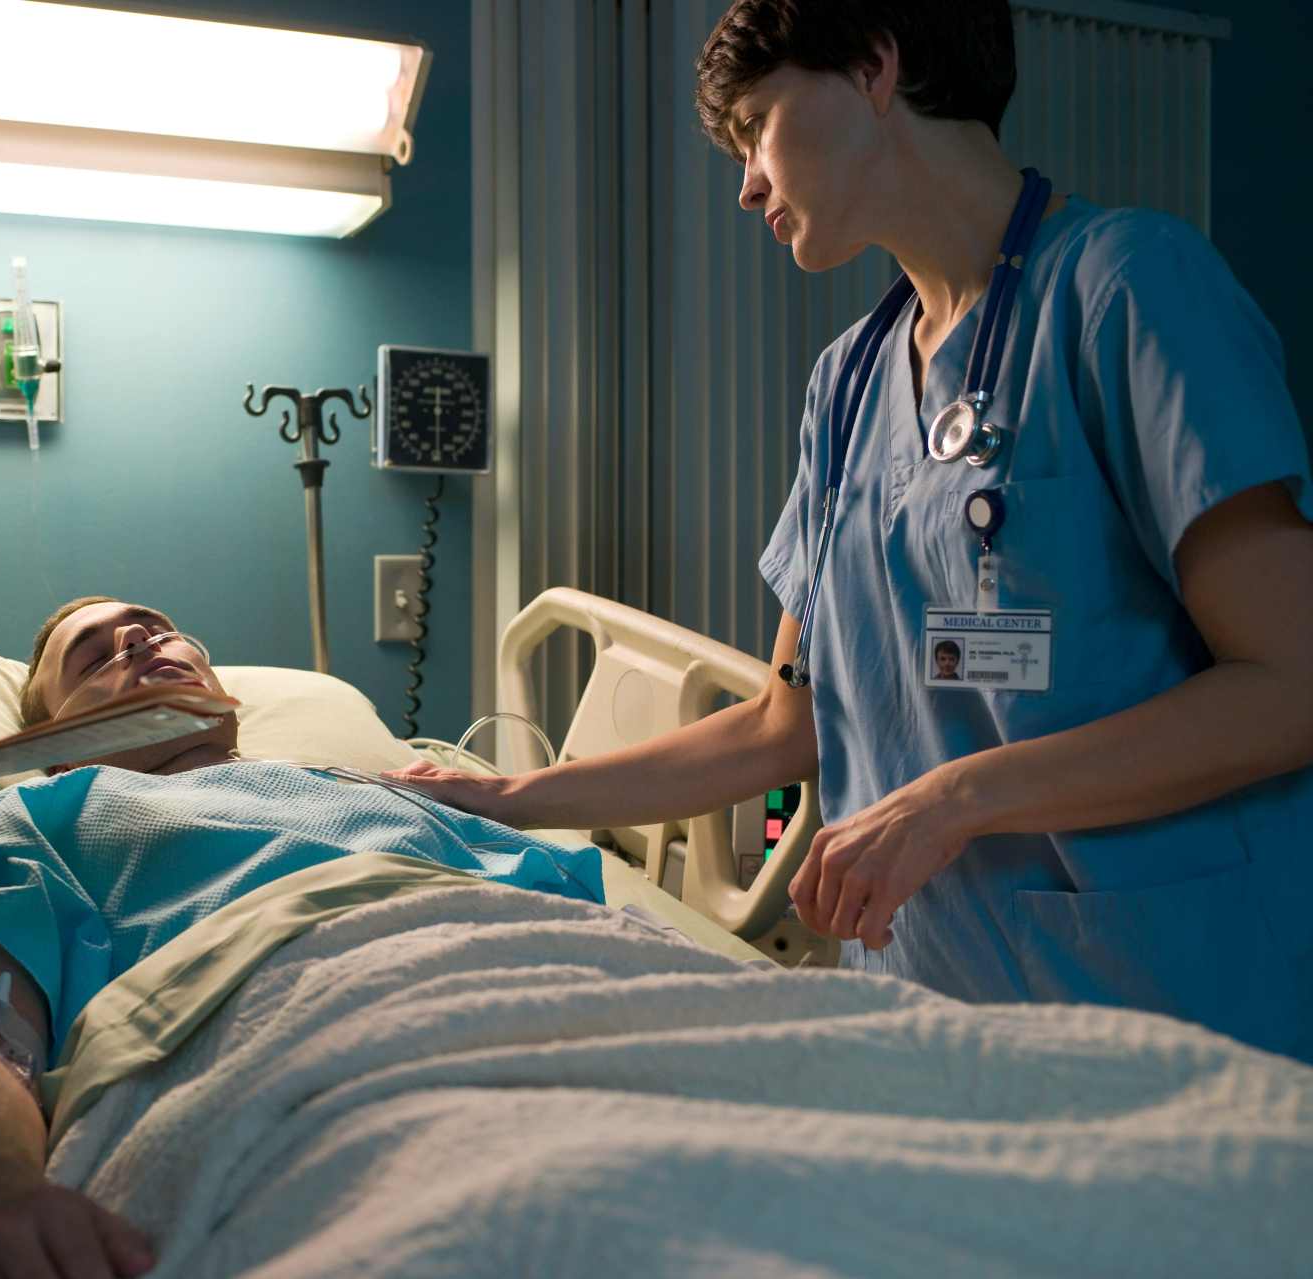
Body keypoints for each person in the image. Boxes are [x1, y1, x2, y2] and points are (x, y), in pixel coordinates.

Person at [388, 0, 1313, 1062]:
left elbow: (1291, 684)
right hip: (928, 1003)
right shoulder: (849, 384)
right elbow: (781, 728)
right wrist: (509, 798)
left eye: (756, 129)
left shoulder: (1129, 291)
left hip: (1164, 1008)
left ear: (874, 66)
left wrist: (957, 796)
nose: (747, 185)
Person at [0, 596, 609, 1277]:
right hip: (309, 1016)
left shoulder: (395, 791)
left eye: (155, 628)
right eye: (92, 658)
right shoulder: (47, 811)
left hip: (572, 977)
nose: (138, 638)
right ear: (55, 746)